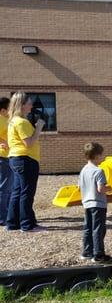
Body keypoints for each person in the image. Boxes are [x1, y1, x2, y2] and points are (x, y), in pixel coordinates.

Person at [5, 92, 45, 232]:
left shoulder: (13, 121)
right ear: (22, 105)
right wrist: (39, 128)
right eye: (29, 102)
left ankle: (12, 223)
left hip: (16, 159)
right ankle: (27, 225)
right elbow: (28, 143)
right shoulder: (21, 122)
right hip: (26, 159)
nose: (31, 105)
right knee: (26, 193)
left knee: (18, 191)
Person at [78, 142, 112, 262]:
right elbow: (101, 189)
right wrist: (109, 188)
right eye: (101, 155)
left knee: (88, 227)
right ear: (97, 156)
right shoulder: (98, 171)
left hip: (87, 203)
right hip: (98, 204)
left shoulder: (83, 170)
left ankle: (87, 251)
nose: (102, 158)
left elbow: (79, 187)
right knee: (98, 229)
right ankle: (98, 254)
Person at [0, 97, 12, 226]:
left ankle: (8, 213)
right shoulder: (0, 119)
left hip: (9, 156)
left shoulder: (6, 120)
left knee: (9, 187)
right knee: (4, 187)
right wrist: (3, 142)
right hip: (3, 157)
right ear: (3, 110)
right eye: (10, 107)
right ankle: (2, 217)